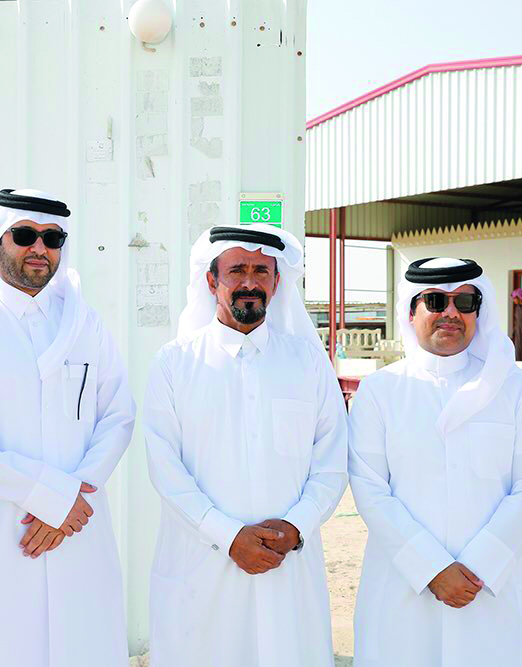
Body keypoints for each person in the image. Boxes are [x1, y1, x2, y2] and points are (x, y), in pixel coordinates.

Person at [0, 189, 136, 667]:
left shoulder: (87, 326)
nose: (39, 248)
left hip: (78, 528)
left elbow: (118, 415)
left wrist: (71, 497)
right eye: (24, 235)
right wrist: (48, 497)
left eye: (52, 238)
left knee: (85, 645)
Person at [144, 224, 349, 666]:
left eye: (262, 271)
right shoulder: (174, 363)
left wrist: (296, 527)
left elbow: (331, 460)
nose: (250, 282)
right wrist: (229, 535)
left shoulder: (308, 361)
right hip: (202, 566)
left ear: (278, 283)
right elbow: (165, 467)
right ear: (212, 280)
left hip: (287, 563)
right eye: (237, 270)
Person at [348, 257, 522, 667]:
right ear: (411, 313)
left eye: (465, 301)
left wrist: (478, 566)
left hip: (488, 586)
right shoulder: (380, 392)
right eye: (435, 300)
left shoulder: (516, 389)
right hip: (403, 585)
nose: (451, 312)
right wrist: (431, 569)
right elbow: (371, 491)